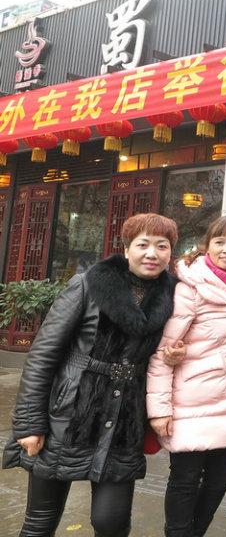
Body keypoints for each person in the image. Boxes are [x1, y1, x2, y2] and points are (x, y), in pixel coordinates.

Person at [3, 213, 179, 537]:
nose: (152, 254)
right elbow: (43, 354)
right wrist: (29, 424)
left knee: (112, 523)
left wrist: (173, 357)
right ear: (127, 249)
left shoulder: (172, 296)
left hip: (124, 422)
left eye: (162, 246)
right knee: (41, 521)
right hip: (67, 416)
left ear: (170, 253)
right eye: (143, 244)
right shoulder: (88, 284)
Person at [146, 214, 226, 537]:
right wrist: (159, 410)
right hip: (191, 405)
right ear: (207, 245)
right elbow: (163, 353)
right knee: (185, 481)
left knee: (220, 480)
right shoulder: (191, 288)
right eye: (220, 242)